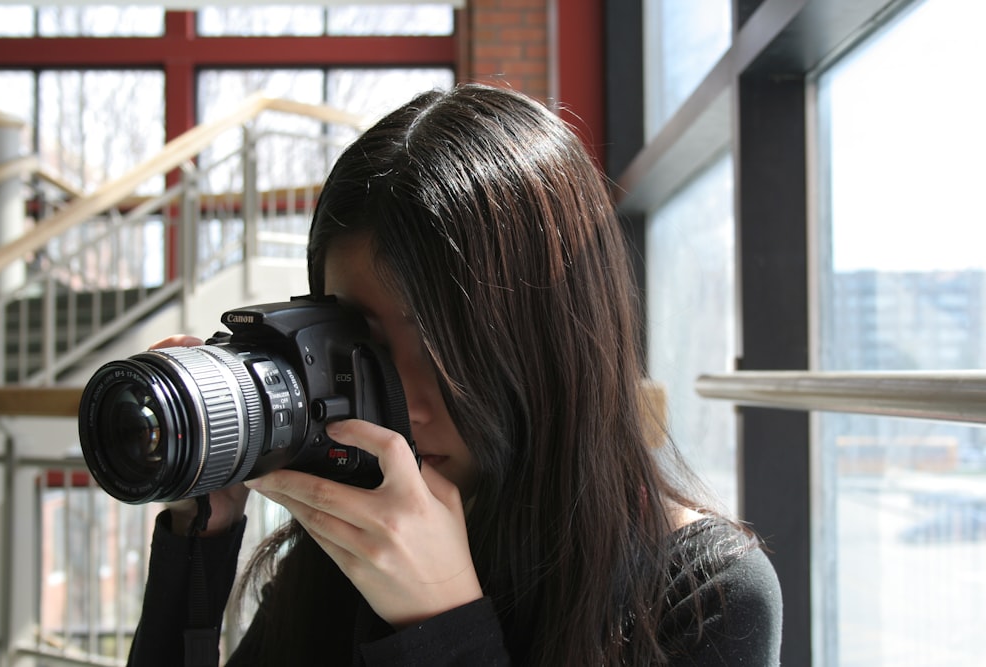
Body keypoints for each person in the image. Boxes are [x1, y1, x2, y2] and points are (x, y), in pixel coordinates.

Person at [126, 83, 782, 666]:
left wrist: (439, 622)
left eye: (440, 343)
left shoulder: (706, 595)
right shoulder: (353, 546)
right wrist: (200, 537)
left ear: (548, 338)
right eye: (359, 341)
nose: (403, 401)